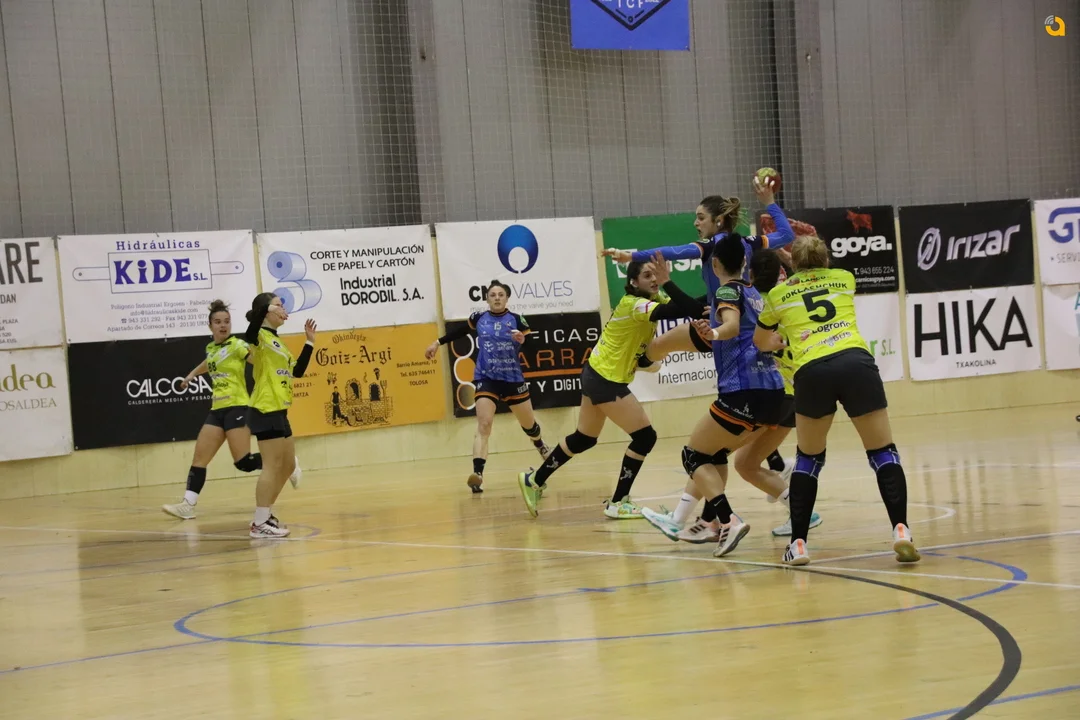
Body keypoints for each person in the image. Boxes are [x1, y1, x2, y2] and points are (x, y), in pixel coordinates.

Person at [754, 235, 919, 566]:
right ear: (826, 260)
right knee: (883, 452)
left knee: (809, 459)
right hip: (855, 362)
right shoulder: (844, 278)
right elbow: (819, 279)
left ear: (792, 264)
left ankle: (798, 545)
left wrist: (780, 339)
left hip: (812, 370)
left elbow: (761, 341)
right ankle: (901, 529)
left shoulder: (777, 295)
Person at [641, 250, 823, 540]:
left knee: (704, 454)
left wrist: (708, 332)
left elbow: (729, 329)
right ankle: (706, 520)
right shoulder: (777, 299)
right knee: (734, 460)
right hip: (786, 394)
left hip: (765, 388)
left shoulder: (749, 301)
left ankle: (712, 520)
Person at [516, 253, 703, 519]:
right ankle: (618, 501)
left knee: (584, 438)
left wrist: (719, 297)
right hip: (605, 380)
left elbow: (690, 306)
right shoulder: (635, 304)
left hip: (595, 373)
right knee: (645, 437)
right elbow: (679, 310)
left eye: (655, 274)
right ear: (634, 282)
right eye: (647, 275)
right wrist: (667, 281)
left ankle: (534, 479)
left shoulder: (653, 298)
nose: (653, 279)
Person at [600, 176, 794, 366]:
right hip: (748, 322)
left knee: (659, 345)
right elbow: (787, 235)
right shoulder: (748, 242)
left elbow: (672, 252)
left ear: (718, 220)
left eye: (701, 218)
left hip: (722, 324)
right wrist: (770, 202)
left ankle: (642, 362)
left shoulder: (710, 246)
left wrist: (630, 256)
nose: (696, 223)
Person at [161, 300, 284, 519]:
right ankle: (188, 505)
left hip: (237, 407)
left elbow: (257, 360)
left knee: (244, 463)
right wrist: (191, 375)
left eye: (226, 321)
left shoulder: (237, 345)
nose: (223, 325)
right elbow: (209, 362)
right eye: (218, 322)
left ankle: (286, 462)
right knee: (199, 458)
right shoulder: (211, 348)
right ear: (210, 326)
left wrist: (271, 363)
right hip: (217, 410)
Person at [426, 281, 551, 493]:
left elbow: (533, 347)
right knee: (484, 424)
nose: (497, 298)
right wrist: (437, 343)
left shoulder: (517, 319)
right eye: (493, 295)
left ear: (507, 298)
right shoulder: (479, 318)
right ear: (487, 299)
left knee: (529, 425)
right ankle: (478, 475)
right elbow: (459, 331)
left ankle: (539, 444)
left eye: (501, 294)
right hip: (486, 378)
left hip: (513, 379)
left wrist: (523, 340)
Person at [243, 292, 316, 539]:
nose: (284, 309)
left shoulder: (278, 342)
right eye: (279, 305)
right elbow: (249, 334)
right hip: (265, 407)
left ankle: (265, 514)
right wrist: (266, 308)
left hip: (280, 409)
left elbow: (298, 371)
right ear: (267, 311)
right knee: (272, 466)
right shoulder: (259, 337)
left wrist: (309, 342)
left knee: (287, 466)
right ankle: (259, 523)